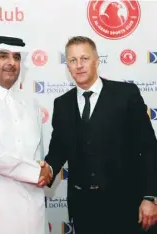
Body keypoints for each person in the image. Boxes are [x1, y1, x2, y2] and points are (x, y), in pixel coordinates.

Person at [39, 36, 157, 234]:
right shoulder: (62, 104)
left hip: (128, 205)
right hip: (85, 210)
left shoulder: (126, 94)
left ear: (96, 60)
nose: (79, 65)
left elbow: (148, 148)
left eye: (84, 58)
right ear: (67, 65)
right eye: (72, 60)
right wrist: (47, 169)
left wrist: (150, 197)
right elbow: (58, 149)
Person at [0, 34, 52, 234]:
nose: (11, 63)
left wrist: (43, 168)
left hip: (30, 207)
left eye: (16, 57)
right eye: (3, 56)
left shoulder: (31, 103)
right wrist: (33, 172)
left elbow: (35, 153)